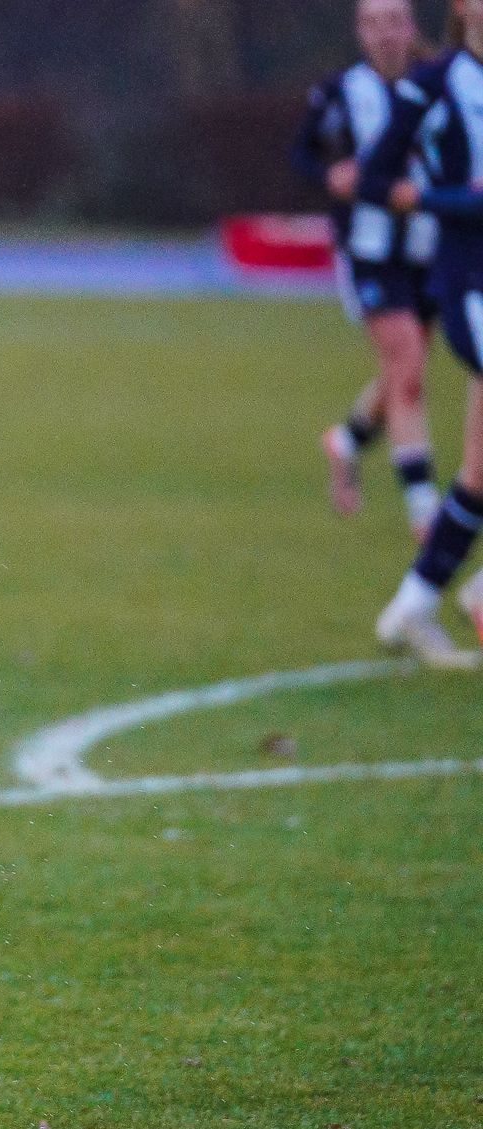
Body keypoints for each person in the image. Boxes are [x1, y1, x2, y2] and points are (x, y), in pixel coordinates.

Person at [361, 0, 483, 666]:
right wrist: (449, 199)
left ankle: (412, 604)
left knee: (478, 474)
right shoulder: (433, 84)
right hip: (470, 290)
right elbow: (375, 178)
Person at [293, 0, 440, 537]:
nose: (384, 34)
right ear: (359, 30)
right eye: (373, 23)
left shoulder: (437, 83)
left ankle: (348, 441)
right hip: (368, 251)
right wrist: (332, 174)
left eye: (394, 21)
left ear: (411, 25)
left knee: (407, 368)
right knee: (408, 365)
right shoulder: (340, 91)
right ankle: (425, 510)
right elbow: (301, 155)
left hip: (429, 247)